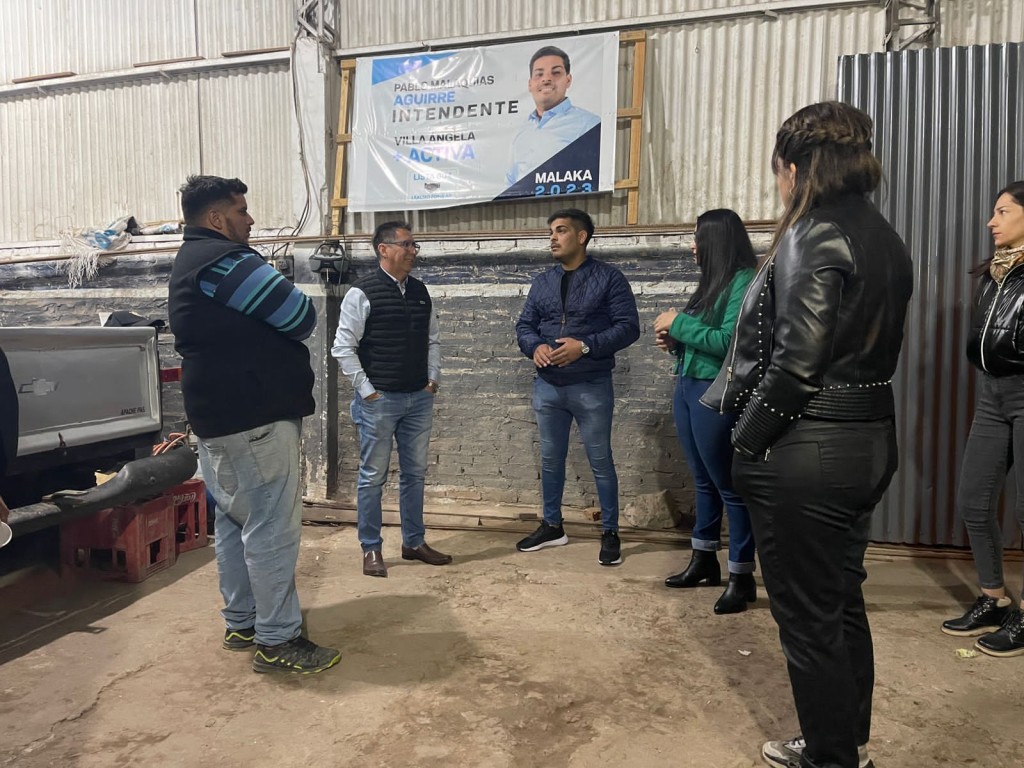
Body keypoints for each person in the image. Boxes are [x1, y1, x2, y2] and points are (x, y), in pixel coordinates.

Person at [701, 102, 913, 768]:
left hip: (809, 449)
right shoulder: (883, 234)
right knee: (839, 602)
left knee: (807, 621)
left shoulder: (812, 232)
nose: (778, 186)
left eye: (777, 173)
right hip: (868, 440)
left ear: (792, 168)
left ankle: (828, 758)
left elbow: (797, 363)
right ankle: (843, 743)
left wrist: (747, 442)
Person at [168, 175, 341, 675]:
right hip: (254, 416)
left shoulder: (192, 259)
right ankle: (277, 639)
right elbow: (299, 315)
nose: (250, 219)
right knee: (270, 527)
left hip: (222, 415)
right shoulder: (224, 260)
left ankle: (243, 622)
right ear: (216, 219)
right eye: (241, 211)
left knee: (234, 520)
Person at [515, 208, 640, 566]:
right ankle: (552, 526)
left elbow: (629, 327)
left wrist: (584, 347)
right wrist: (534, 347)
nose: (553, 238)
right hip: (548, 386)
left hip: (591, 385)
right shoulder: (543, 282)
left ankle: (610, 532)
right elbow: (525, 325)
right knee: (550, 459)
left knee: (600, 460)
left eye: (561, 231)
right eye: (551, 232)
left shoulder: (609, 278)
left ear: (582, 236)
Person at [331, 221, 451, 578]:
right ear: (383, 249)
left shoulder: (420, 291)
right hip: (380, 402)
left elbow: (432, 340)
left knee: (415, 474)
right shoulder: (361, 293)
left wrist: (432, 380)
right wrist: (367, 391)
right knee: (372, 477)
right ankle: (371, 548)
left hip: (418, 398)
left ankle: (414, 542)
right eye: (407, 244)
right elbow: (343, 347)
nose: (413, 251)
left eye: (414, 245)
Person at [652, 209, 757, 614]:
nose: (693, 246)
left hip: (715, 391)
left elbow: (730, 341)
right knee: (703, 480)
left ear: (716, 240)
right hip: (688, 385)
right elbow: (702, 339)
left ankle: (741, 576)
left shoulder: (743, 280)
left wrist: (678, 323)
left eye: (697, 238)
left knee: (729, 485)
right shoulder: (713, 283)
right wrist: (675, 342)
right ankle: (704, 559)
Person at [941, 180, 1024, 658]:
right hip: (992, 395)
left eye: (1003, 211)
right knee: (974, 500)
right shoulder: (996, 272)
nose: (992, 221)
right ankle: (994, 598)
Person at [505, 46, 601, 186]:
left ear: (568, 80)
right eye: (539, 74)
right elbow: (510, 182)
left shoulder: (590, 125)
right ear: (530, 84)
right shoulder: (521, 131)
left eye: (555, 73)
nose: (546, 79)